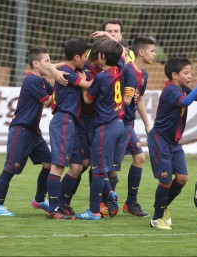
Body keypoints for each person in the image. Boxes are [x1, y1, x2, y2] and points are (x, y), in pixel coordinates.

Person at [148, 57, 197, 229]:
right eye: (186, 73)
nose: (189, 76)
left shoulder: (182, 87)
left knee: (183, 178)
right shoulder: (170, 90)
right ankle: (156, 218)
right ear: (174, 75)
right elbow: (185, 102)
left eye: (190, 72)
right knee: (166, 181)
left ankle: (162, 207)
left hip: (173, 142)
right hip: (160, 140)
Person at [0, 47, 54, 216]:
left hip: (34, 132)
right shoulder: (32, 80)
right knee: (10, 169)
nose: (50, 64)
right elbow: (48, 101)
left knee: (50, 163)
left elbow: (54, 91)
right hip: (22, 130)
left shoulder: (41, 80)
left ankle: (40, 199)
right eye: (47, 61)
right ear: (35, 63)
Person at [75, 39, 125, 220]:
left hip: (106, 126)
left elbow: (88, 99)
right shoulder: (120, 69)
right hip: (119, 123)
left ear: (102, 57)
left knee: (97, 169)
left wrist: (82, 81)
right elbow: (123, 55)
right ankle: (109, 194)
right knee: (100, 166)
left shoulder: (102, 77)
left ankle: (94, 211)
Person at [57, 37, 106, 216]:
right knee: (78, 166)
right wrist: (54, 72)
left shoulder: (103, 69)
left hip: (91, 121)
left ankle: (64, 203)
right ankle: (59, 204)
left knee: (86, 164)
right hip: (78, 122)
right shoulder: (82, 68)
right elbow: (52, 66)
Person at [46, 38, 92, 219]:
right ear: (76, 57)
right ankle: (53, 209)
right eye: (85, 57)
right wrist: (86, 78)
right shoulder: (68, 72)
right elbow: (87, 85)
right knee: (58, 166)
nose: (87, 60)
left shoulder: (66, 69)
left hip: (71, 122)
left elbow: (53, 65)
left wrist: (52, 69)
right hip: (64, 120)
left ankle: (62, 204)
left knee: (76, 166)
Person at [118, 37, 156, 217]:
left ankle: (130, 202)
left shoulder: (144, 75)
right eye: (152, 51)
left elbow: (138, 99)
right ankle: (105, 202)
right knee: (112, 165)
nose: (155, 54)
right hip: (118, 123)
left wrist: (148, 125)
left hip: (129, 124)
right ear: (141, 52)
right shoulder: (126, 70)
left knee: (140, 158)